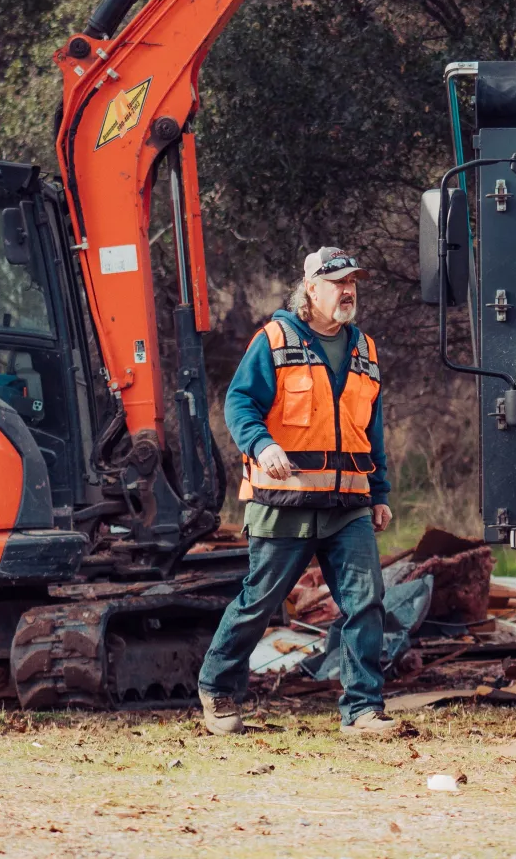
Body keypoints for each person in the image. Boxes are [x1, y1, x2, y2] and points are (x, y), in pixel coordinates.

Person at [197, 247, 398, 737]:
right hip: (284, 502)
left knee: (366, 601)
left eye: (353, 283)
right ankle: (218, 690)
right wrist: (261, 446)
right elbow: (239, 404)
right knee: (260, 602)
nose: (348, 291)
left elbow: (372, 432)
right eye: (337, 283)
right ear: (312, 289)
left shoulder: (365, 350)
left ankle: (363, 710)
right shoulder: (274, 340)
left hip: (348, 504)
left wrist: (380, 492)